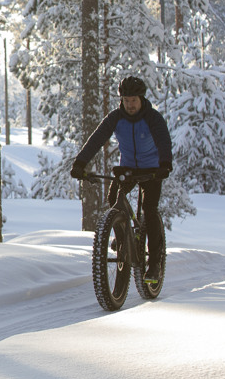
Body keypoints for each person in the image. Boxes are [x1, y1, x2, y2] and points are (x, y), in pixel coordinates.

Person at [70, 75, 173, 280]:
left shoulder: (153, 118)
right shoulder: (116, 118)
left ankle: (154, 263)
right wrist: (80, 163)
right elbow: (96, 140)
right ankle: (122, 234)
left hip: (152, 170)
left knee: (149, 210)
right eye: (126, 100)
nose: (130, 105)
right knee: (114, 199)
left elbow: (164, 141)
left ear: (141, 99)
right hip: (128, 169)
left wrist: (165, 164)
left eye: (133, 100)